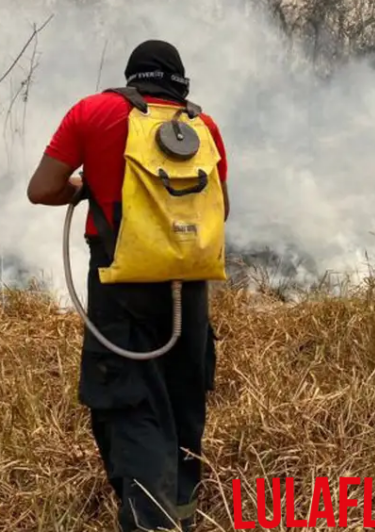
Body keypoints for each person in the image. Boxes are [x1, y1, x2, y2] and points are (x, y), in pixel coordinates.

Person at [26, 40, 230, 532]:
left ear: (131, 76)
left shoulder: (93, 112)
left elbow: (41, 189)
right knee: (184, 400)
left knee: (131, 404)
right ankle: (181, 513)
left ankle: (150, 523)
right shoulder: (204, 127)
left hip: (121, 287)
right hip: (190, 288)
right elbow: (219, 212)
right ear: (179, 80)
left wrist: (88, 188)